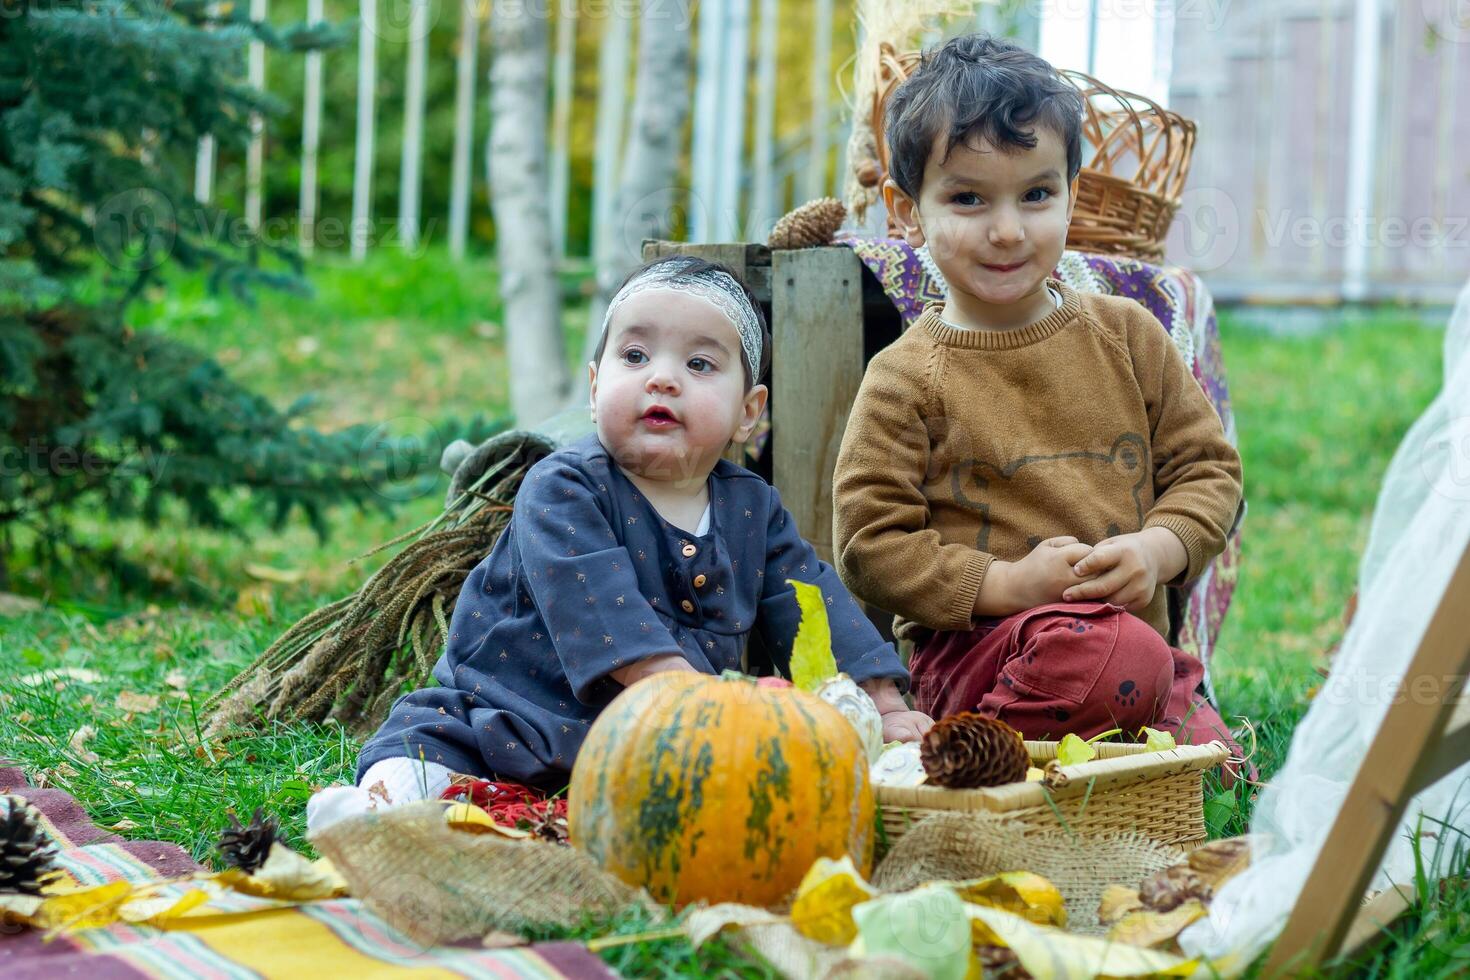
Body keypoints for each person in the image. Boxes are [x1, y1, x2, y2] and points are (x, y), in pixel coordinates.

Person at [308, 256, 928, 831]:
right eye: (635, 356)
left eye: (699, 365)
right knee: (424, 772)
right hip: (498, 727)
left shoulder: (750, 508)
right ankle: (374, 818)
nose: (662, 379)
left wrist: (880, 701)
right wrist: (699, 701)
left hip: (641, 753)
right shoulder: (564, 490)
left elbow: (808, 604)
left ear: (748, 411)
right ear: (595, 384)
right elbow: (603, 615)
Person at [831, 34, 1247, 778]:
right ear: (906, 209)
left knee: (1207, 753)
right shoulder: (908, 375)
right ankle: (968, 763)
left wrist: (1157, 552)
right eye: (967, 198)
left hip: (1129, 645)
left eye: (1036, 194)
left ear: (1072, 194)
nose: (1007, 229)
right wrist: (1007, 586)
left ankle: (1117, 746)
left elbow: (1209, 472)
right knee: (1113, 660)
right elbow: (870, 545)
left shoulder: (1126, 335)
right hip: (983, 656)